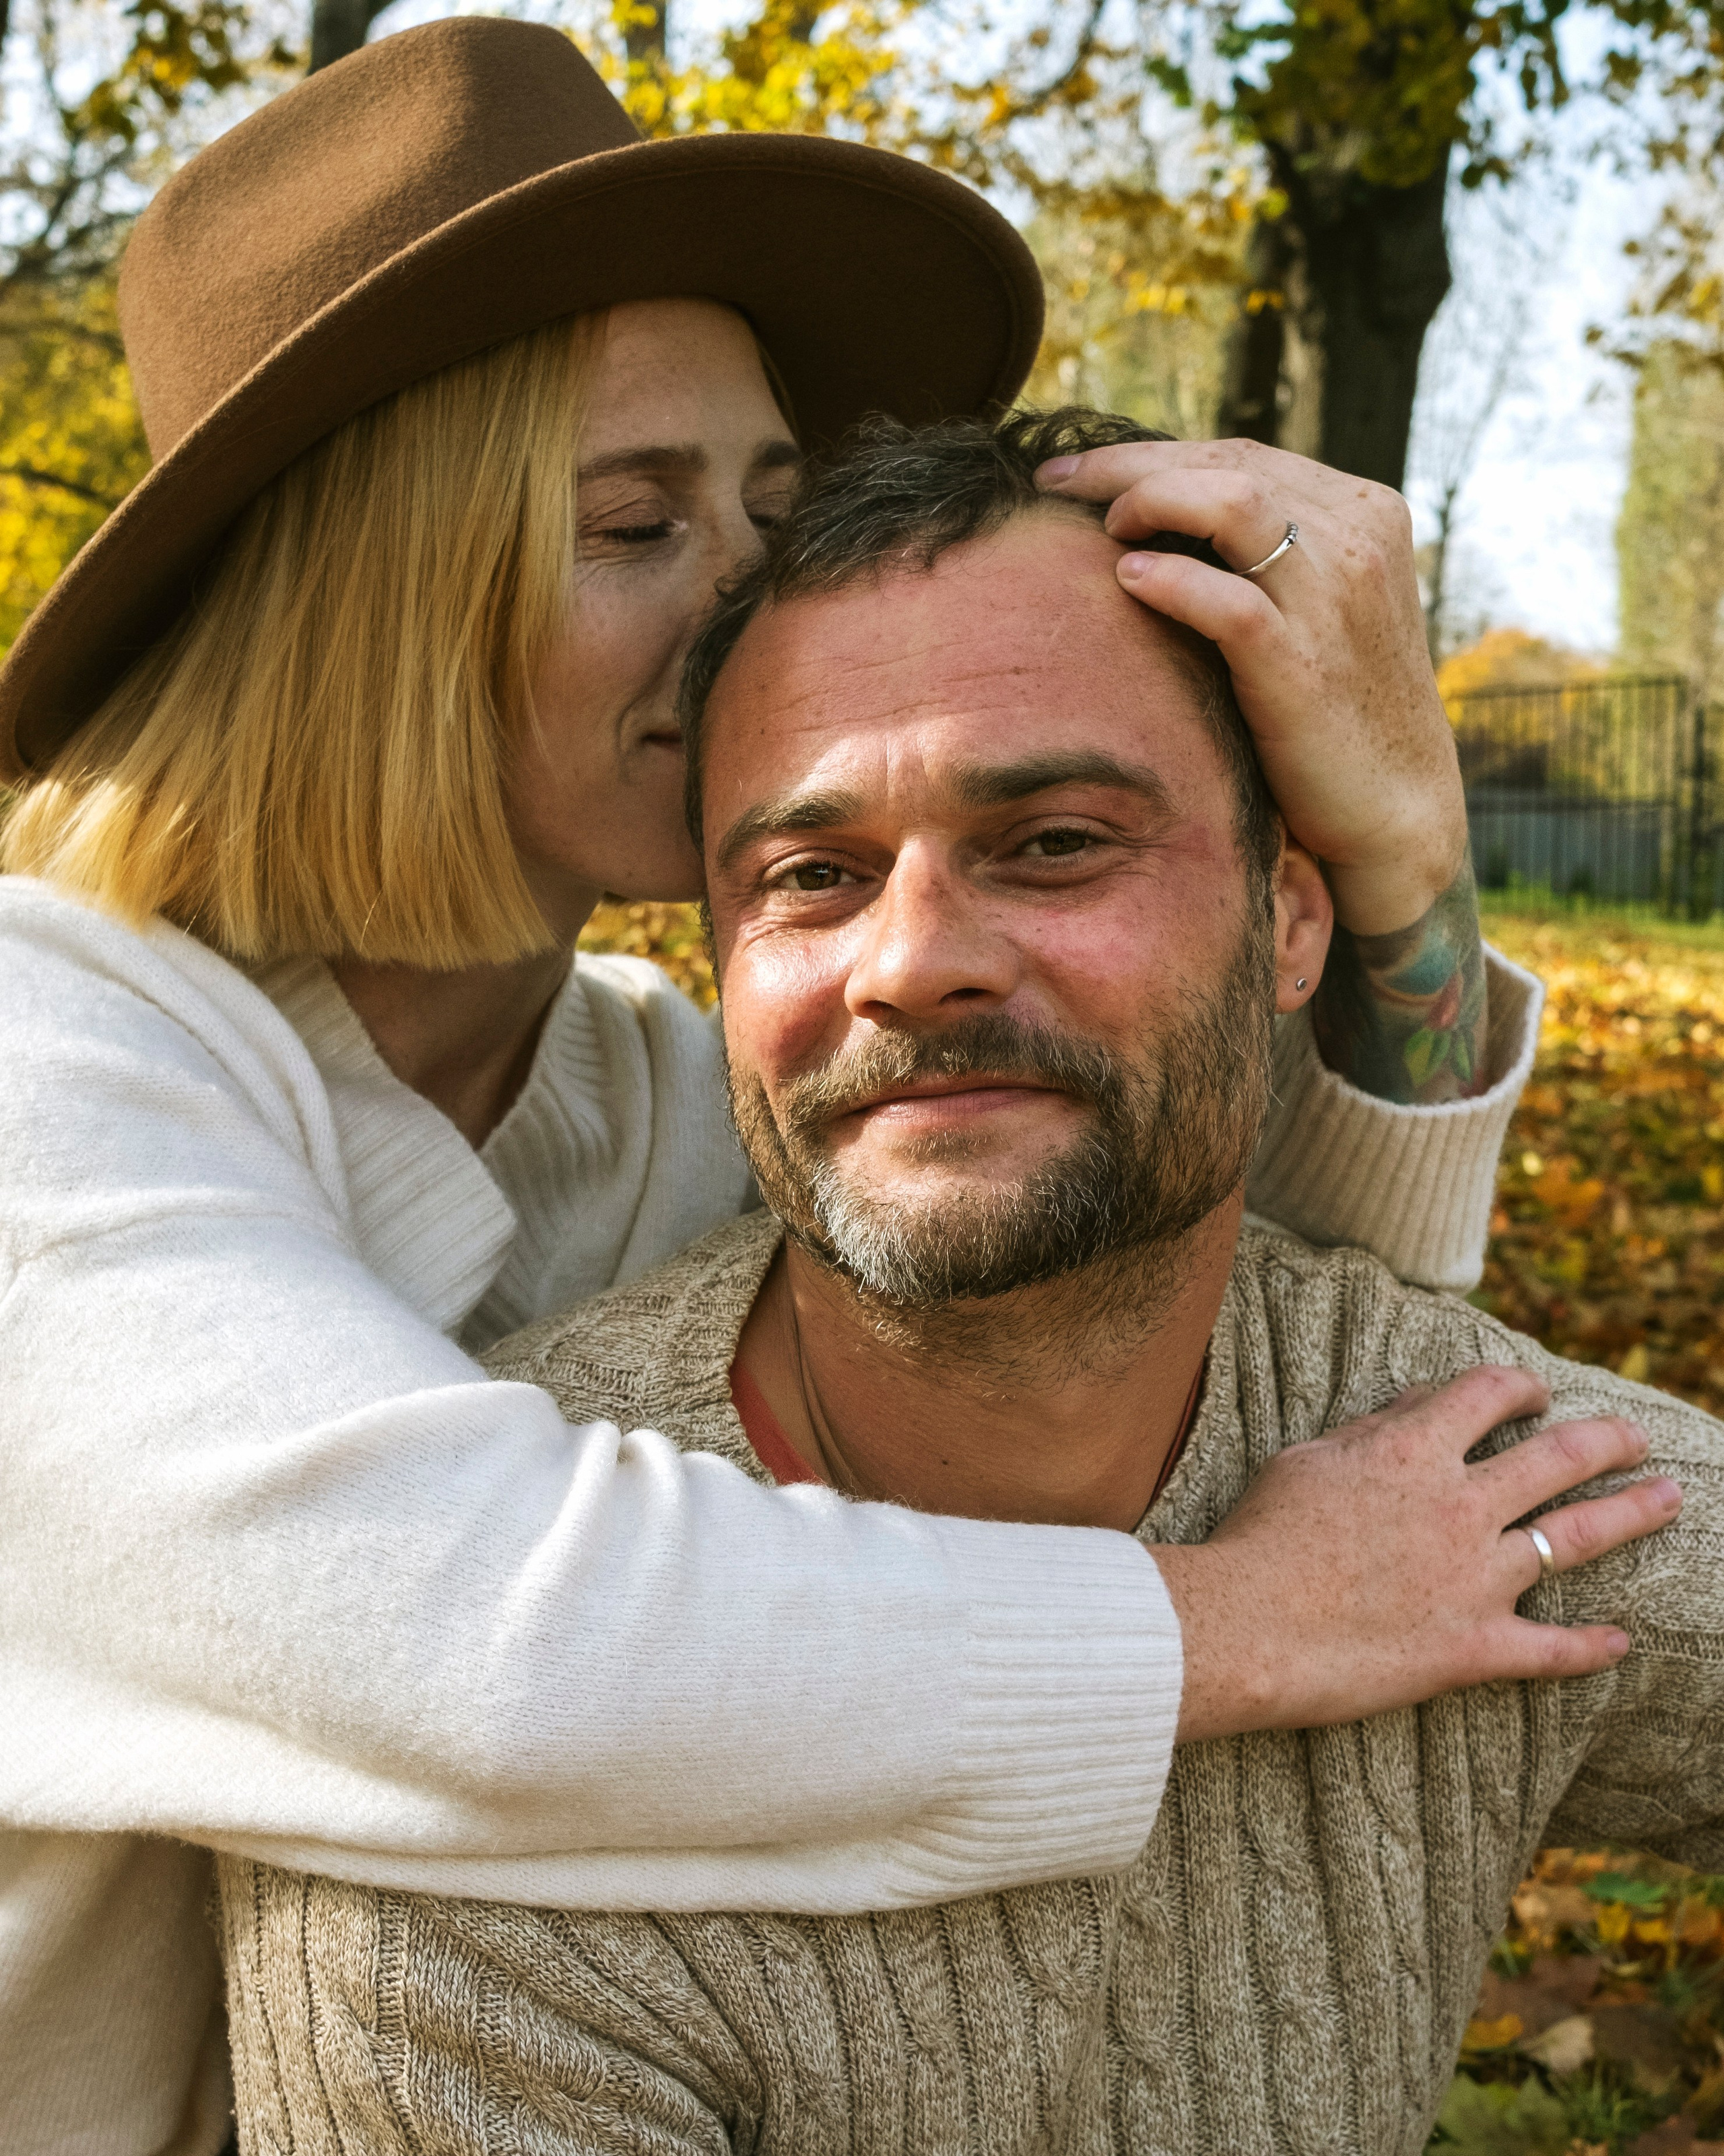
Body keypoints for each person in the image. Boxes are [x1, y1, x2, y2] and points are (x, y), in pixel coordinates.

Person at [0, 21, 1579, 2156]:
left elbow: (1212, 1258)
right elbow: (465, 1638)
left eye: (768, 500)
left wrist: (1393, 848)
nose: (753, 594)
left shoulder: (646, 1095)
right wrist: (1229, 1622)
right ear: (368, 605)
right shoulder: (48, 1056)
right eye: (635, 520)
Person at [211, 409, 1711, 2156]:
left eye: (1058, 840)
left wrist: (1415, 847)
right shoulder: (472, 1771)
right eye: (813, 876)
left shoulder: (1453, 1498)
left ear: (1295, 920)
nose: (911, 962)